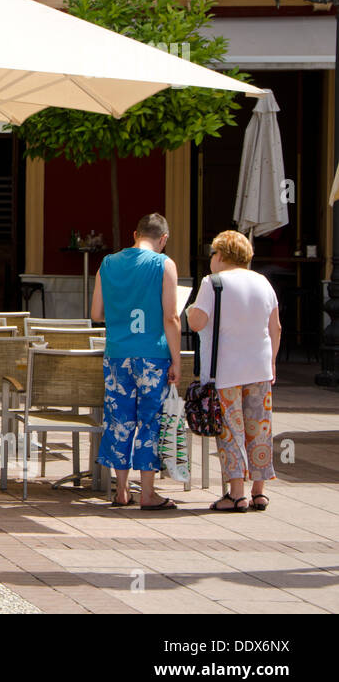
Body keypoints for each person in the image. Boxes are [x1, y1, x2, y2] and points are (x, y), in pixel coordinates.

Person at [91, 213, 182, 511]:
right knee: (149, 422)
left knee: (119, 421)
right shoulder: (164, 264)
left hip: (117, 354)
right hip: (153, 356)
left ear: (134, 234)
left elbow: (96, 314)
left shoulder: (108, 263)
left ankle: (120, 491)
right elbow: (171, 317)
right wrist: (177, 361)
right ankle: (147, 493)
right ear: (164, 239)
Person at [187, 230, 281, 513]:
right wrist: (273, 362)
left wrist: (190, 309)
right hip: (260, 366)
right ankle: (259, 492)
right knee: (260, 429)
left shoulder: (212, 283)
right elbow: (275, 327)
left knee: (230, 431)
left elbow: (197, 321)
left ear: (221, 256)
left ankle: (236, 493)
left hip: (226, 370)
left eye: (214, 254)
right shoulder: (263, 282)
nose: (212, 260)